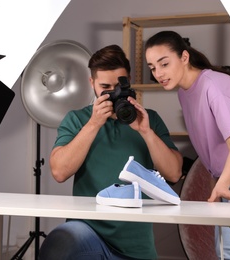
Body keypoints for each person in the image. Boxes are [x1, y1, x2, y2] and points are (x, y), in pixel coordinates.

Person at [144, 31, 230, 259]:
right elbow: (210, 146)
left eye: (164, 64)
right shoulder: (184, 92)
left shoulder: (214, 86)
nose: (158, 73)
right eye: (152, 68)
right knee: (223, 247)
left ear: (184, 57)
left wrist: (221, 186)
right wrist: (217, 183)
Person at [39, 44, 183, 260]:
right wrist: (93, 124)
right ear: (92, 84)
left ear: (129, 81)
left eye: (119, 85)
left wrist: (145, 132)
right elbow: (59, 172)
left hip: (135, 244)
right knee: (58, 244)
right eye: (105, 86)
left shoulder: (149, 119)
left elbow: (173, 173)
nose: (114, 93)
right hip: (88, 232)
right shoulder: (77, 120)